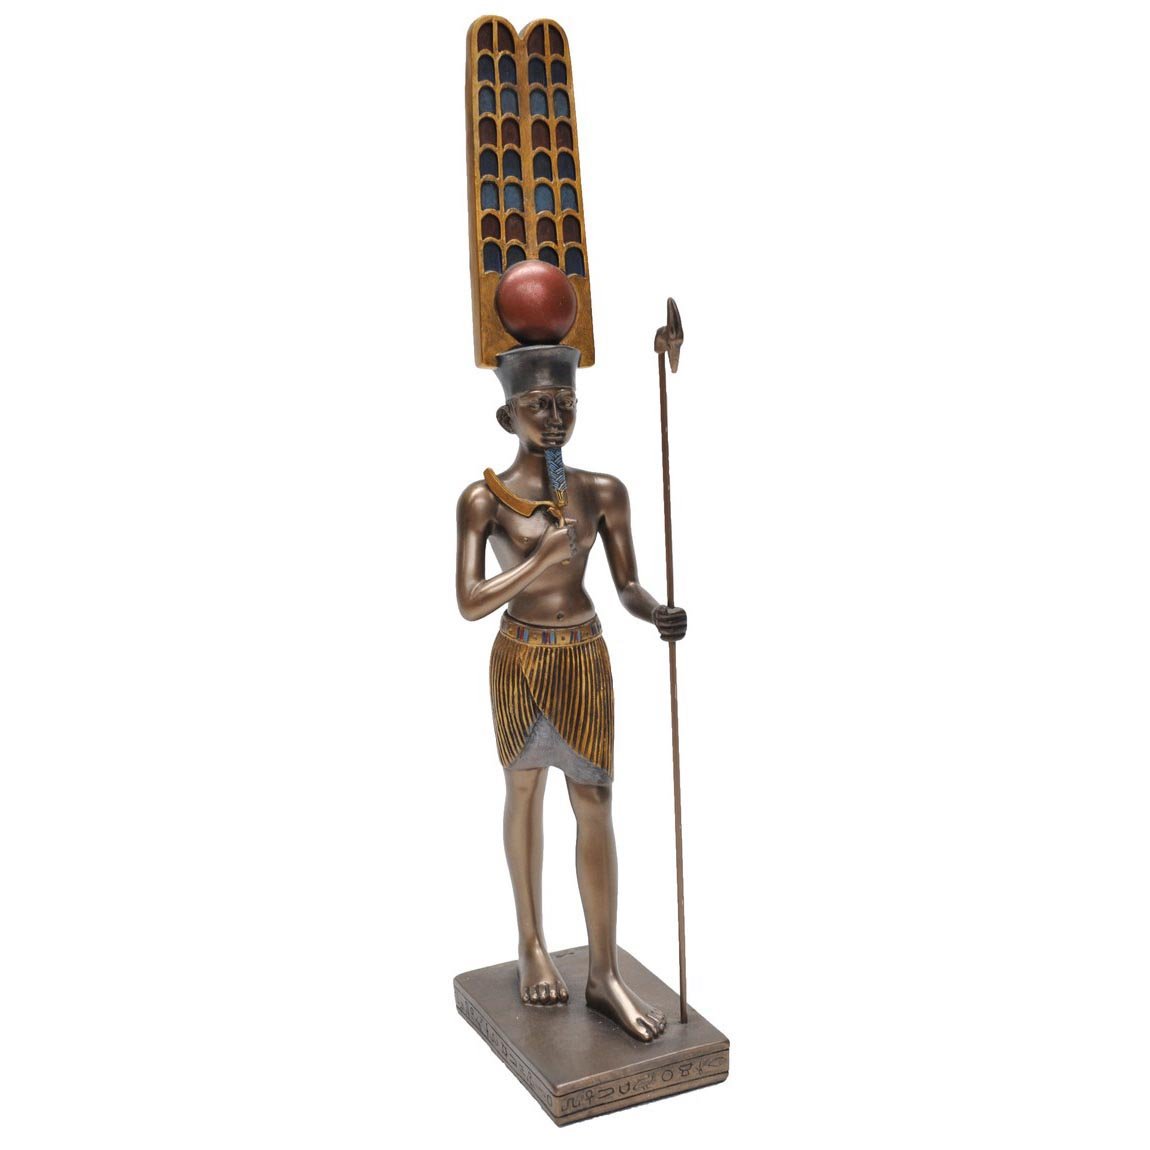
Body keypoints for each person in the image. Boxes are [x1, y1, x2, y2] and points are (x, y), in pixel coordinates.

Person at [456, 342, 686, 1042]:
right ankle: (532, 943)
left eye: (565, 404)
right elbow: (470, 601)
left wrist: (657, 611)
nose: (554, 417)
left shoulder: (602, 491)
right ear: (508, 415)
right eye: (538, 405)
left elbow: (626, 584)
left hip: (583, 656)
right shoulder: (483, 500)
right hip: (521, 657)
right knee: (524, 790)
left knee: (594, 801)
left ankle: (603, 971)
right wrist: (541, 561)